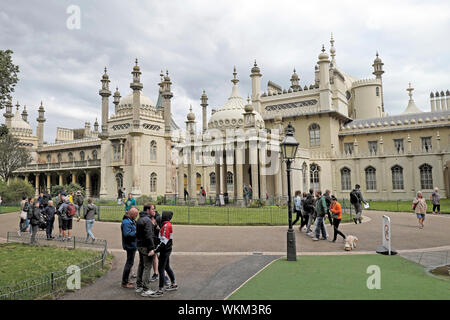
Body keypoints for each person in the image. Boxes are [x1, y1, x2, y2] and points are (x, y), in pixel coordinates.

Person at [148, 210, 178, 297]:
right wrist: (158, 227)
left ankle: (160, 290)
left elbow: (163, 242)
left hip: (165, 250)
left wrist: (154, 251)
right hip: (167, 249)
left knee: (161, 269)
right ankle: (174, 283)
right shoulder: (166, 225)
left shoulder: (166, 226)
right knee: (167, 267)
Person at [135, 203, 156, 296]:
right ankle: (146, 289)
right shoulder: (147, 220)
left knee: (141, 265)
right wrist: (152, 248)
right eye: (152, 209)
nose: (154, 211)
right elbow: (149, 235)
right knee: (147, 266)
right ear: (147, 210)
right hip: (146, 246)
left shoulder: (140, 219)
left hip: (140, 245)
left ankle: (139, 285)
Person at [121, 207, 138, 289]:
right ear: (131, 214)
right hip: (130, 245)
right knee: (129, 264)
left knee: (130, 263)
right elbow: (127, 234)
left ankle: (126, 280)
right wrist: (137, 232)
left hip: (132, 245)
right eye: (135, 215)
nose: (136, 216)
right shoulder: (126, 222)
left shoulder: (131, 221)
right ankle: (124, 282)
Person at [148, 203, 162, 283]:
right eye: (151, 209)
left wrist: (158, 227)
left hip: (159, 240)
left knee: (162, 258)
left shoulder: (158, 217)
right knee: (154, 256)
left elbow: (163, 229)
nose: (153, 210)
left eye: (153, 209)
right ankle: (156, 273)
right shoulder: (148, 217)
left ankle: (165, 275)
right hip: (152, 240)